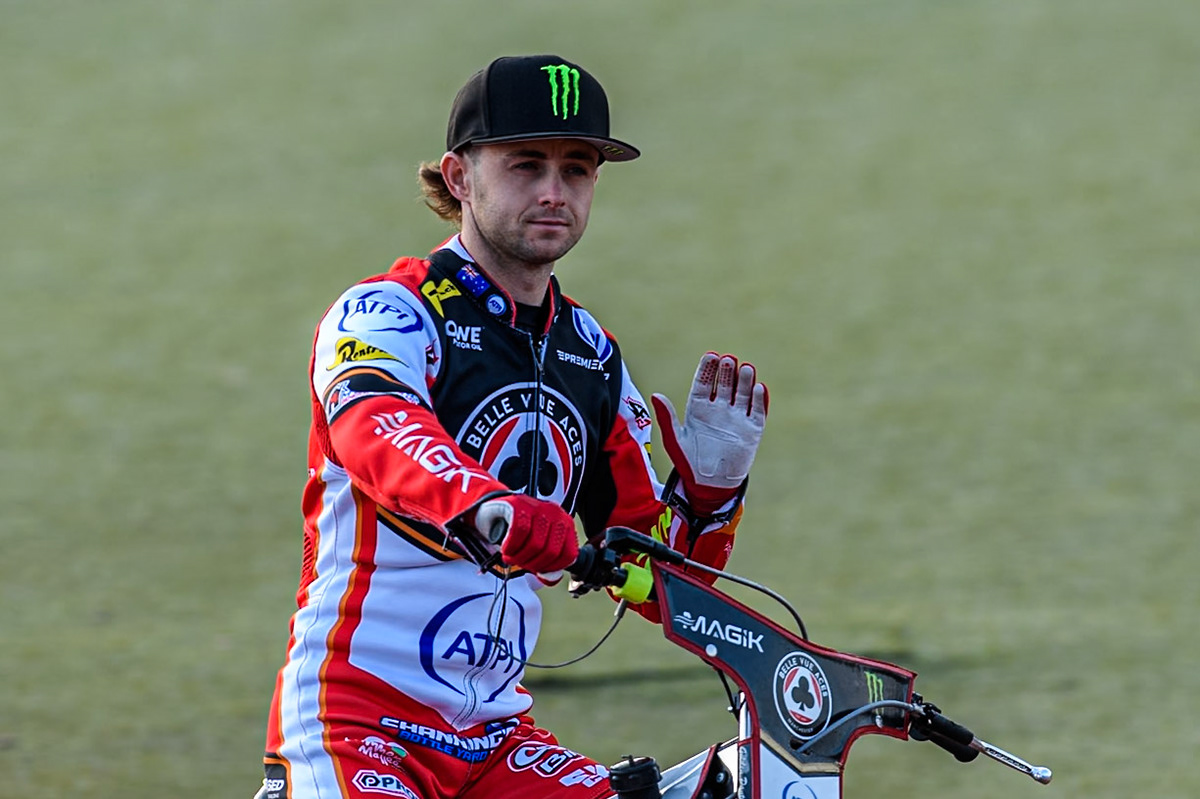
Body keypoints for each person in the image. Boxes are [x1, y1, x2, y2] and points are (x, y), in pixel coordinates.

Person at [256, 54, 768, 799]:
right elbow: (372, 426)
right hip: (355, 719)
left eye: (578, 169)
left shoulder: (590, 354)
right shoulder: (387, 312)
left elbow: (659, 582)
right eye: (526, 165)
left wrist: (712, 496)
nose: (554, 192)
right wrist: (485, 503)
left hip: (496, 738)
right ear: (459, 177)